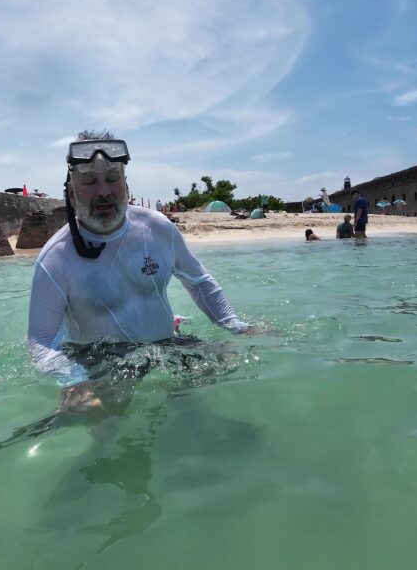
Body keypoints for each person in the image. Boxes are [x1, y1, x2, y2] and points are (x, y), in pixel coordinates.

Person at [27, 133, 252, 409]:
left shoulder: (157, 228)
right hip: (104, 363)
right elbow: (42, 341)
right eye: (89, 182)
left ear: (126, 185)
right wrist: (73, 380)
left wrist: (236, 326)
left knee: (232, 363)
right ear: (72, 194)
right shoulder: (56, 259)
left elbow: (200, 282)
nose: (104, 192)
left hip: (168, 344)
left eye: (112, 179)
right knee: (106, 429)